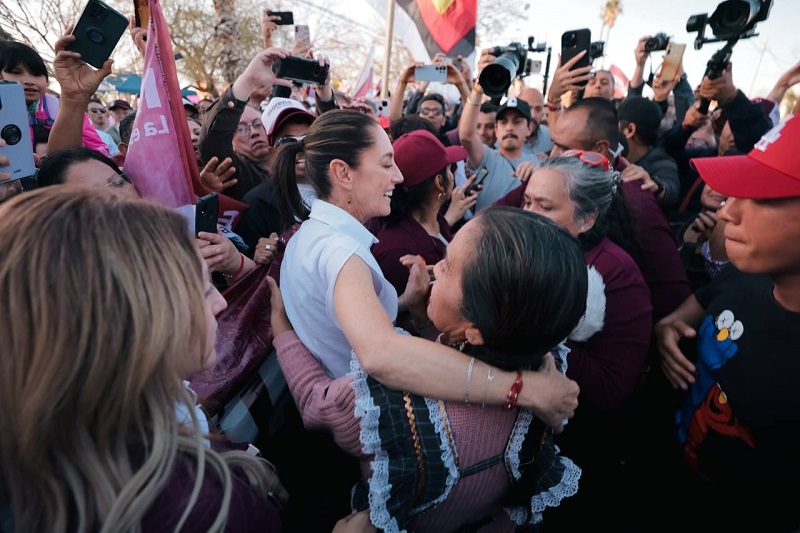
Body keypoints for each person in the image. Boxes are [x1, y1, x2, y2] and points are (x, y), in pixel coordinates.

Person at [271, 207, 588, 531]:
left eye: (448, 266)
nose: (435, 266)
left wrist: (282, 331)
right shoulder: (547, 368)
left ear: (475, 330)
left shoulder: (388, 406)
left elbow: (315, 402)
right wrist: (424, 321)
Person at [0, 187, 284, 531]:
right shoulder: (203, 507)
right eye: (204, 290)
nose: (220, 304)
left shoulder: (46, 463)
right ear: (136, 321)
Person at [274, 109, 579, 424]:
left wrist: (404, 302)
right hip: (366, 423)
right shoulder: (341, 254)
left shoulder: (311, 236)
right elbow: (381, 354)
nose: (398, 176)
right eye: (385, 163)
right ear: (343, 173)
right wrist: (523, 389)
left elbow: (339, 320)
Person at [654, 113, 800, 531]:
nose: (727, 211)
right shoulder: (746, 274)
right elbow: (695, 306)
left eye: (762, 197)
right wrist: (667, 329)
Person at [520, 152, 653, 529]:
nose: (528, 214)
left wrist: (541, 331)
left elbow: (612, 389)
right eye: (527, 201)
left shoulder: (616, 273)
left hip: (582, 454)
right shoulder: (531, 248)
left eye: (544, 207)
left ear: (587, 218)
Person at [371, 130, 472, 334]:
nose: (454, 175)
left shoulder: (437, 223)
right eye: (450, 169)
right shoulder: (398, 253)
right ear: (439, 182)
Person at [0, 39, 109, 158]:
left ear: (47, 81)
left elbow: (100, 150)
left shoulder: (67, 109)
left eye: (36, 74)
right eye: (16, 72)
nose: (29, 81)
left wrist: (73, 148)